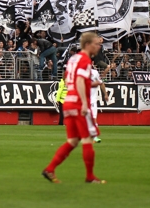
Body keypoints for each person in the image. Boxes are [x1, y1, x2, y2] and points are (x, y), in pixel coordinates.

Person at [42, 32, 105, 184]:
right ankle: (90, 176)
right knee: (88, 139)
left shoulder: (73, 59)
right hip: (78, 103)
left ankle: (50, 169)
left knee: (73, 141)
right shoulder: (85, 60)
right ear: (88, 44)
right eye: (96, 44)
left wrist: (92, 83)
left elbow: (72, 78)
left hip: (68, 102)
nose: (98, 47)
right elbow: (79, 82)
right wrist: (84, 103)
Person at [90, 65, 108, 143]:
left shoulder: (95, 73)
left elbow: (101, 83)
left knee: (94, 119)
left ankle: (95, 137)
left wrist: (105, 94)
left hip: (93, 101)